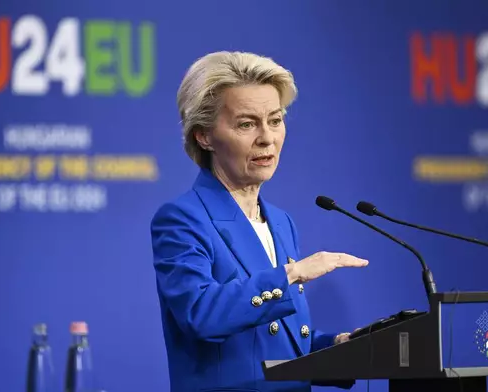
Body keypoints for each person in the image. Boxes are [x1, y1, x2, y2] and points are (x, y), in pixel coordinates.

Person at [150, 51, 369, 392]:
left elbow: (273, 345)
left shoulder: (281, 222)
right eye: (247, 124)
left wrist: (338, 348)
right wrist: (291, 273)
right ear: (203, 136)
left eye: (275, 120)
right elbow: (200, 314)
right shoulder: (182, 219)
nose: (267, 137)